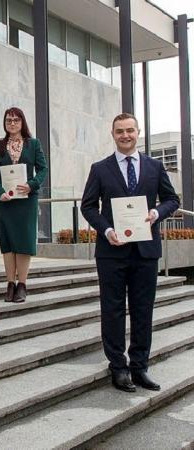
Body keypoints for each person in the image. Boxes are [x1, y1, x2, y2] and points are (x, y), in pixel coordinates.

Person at [81, 113, 178, 393]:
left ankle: (139, 367)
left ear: (138, 133)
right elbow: (88, 206)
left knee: (142, 310)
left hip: (145, 252)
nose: (125, 135)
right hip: (112, 252)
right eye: (120, 131)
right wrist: (106, 229)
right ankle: (118, 368)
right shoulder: (100, 169)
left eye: (130, 131)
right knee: (112, 311)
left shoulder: (154, 167)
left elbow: (172, 200)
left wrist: (156, 212)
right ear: (113, 134)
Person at [0, 107, 47, 303]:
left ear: (22, 122)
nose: (12, 123)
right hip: (5, 202)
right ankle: (10, 284)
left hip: (26, 200)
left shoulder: (33, 144)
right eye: (8, 120)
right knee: (8, 243)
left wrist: (31, 185)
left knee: (23, 241)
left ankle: (22, 284)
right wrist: (0, 192)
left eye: (15, 120)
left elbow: (42, 169)